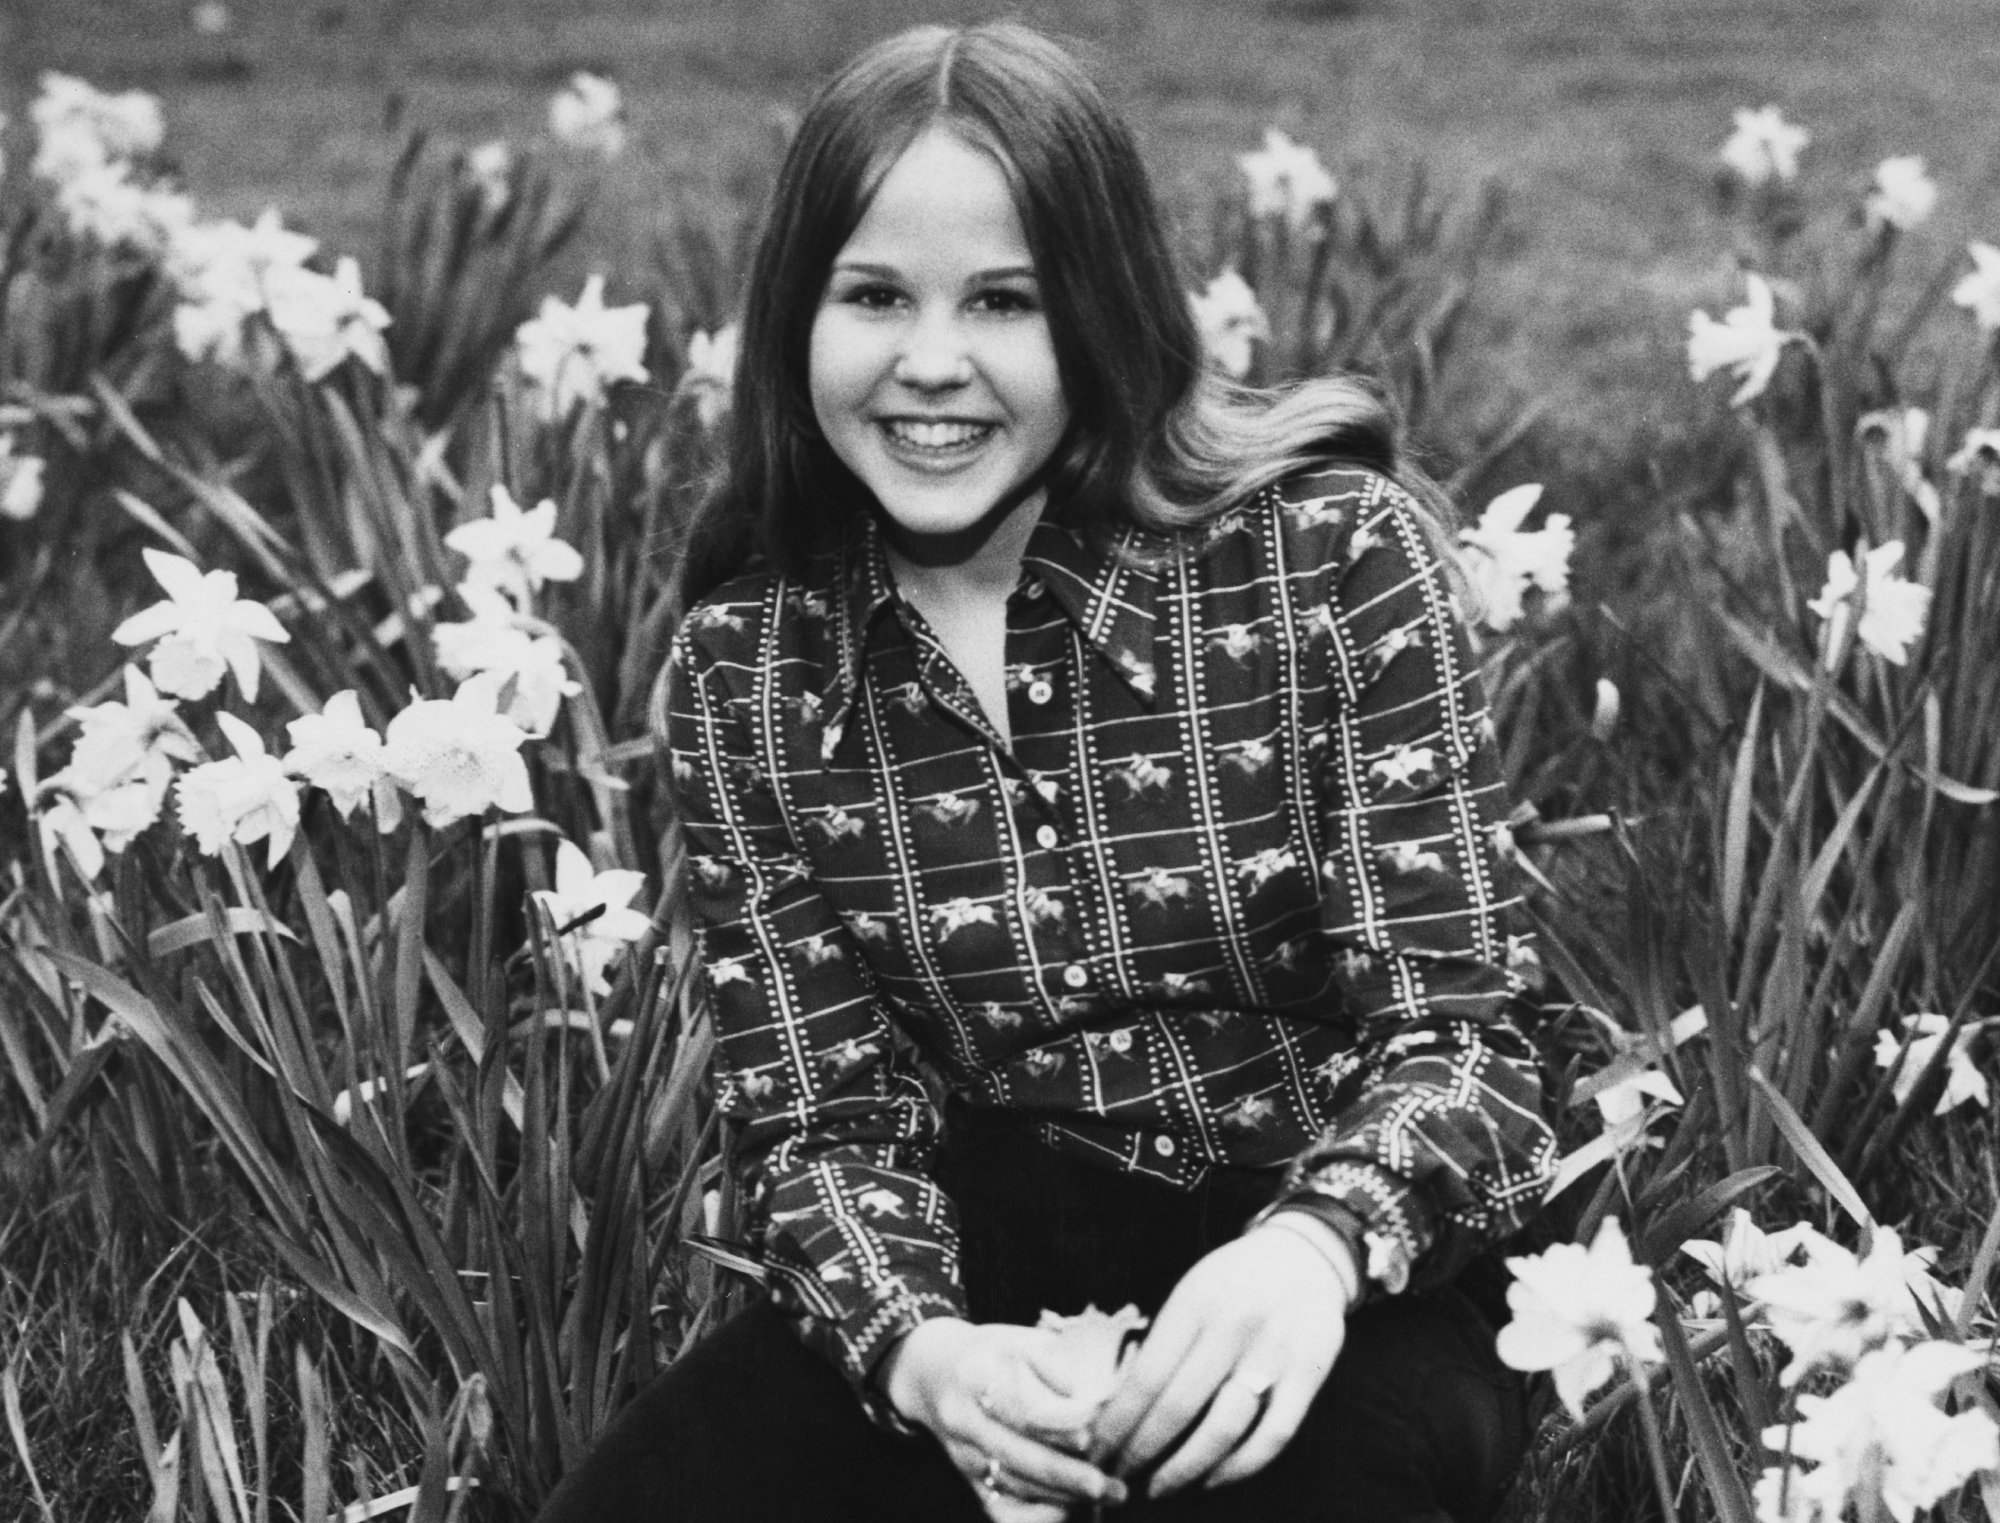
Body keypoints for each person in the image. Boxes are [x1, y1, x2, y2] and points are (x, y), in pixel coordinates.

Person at [538, 20, 1556, 1523]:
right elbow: (825, 1125)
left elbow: (1473, 1040)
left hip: (1347, 1250)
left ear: (1104, 313)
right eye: (873, 295)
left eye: (1005, 302)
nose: (932, 364)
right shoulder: (747, 676)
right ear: (792, 322)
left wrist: (1311, 1253)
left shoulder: (1327, 564)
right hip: (993, 1257)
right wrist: (927, 1360)